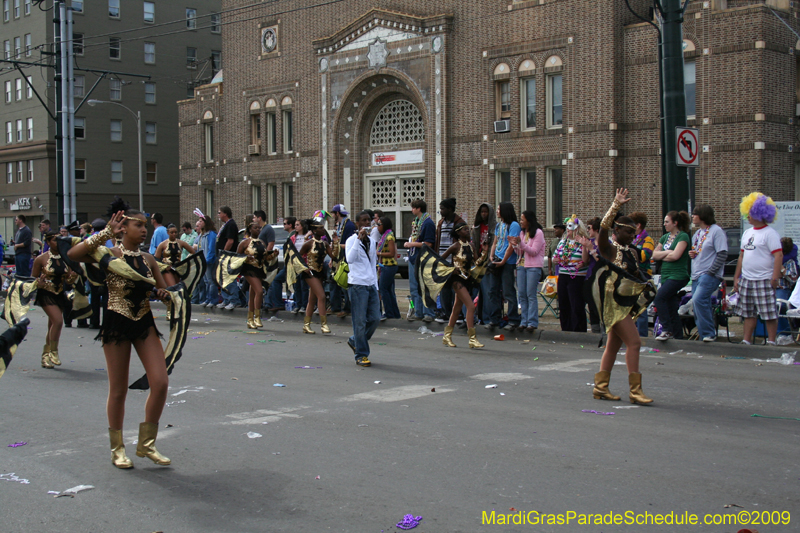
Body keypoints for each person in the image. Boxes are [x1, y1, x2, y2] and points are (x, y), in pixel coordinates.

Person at [67, 199, 174, 469]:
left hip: (144, 321)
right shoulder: (109, 254)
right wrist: (105, 232)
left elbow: (162, 292)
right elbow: (74, 254)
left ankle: (147, 444)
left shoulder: (149, 259)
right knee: (118, 390)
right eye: (138, 225)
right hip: (116, 321)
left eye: (145, 226)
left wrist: (163, 294)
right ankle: (117, 448)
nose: (144, 230)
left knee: (160, 382)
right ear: (123, 228)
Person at [589, 189, 656, 405]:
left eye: (634, 233)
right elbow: (603, 229)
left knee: (613, 346)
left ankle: (600, 387)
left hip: (625, 302)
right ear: (617, 231)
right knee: (634, 342)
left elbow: (636, 276)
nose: (633, 237)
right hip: (612, 303)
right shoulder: (608, 248)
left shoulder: (632, 252)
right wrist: (615, 205)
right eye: (629, 233)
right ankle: (635, 391)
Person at [734, 192, 782, 345]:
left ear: (759, 213)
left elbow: (778, 256)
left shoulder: (770, 234)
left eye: (750, 212)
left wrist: (775, 277)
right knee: (748, 313)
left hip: (764, 279)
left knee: (768, 313)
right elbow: (741, 256)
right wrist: (737, 277)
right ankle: (746, 340)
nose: (747, 216)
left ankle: (771, 341)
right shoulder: (747, 233)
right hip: (747, 280)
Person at [436, 221, 488, 348]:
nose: (467, 231)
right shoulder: (455, 246)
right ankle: (472, 338)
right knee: (470, 306)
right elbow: (440, 260)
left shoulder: (471, 246)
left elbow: (477, 262)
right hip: (456, 280)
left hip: (467, 279)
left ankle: (446, 336)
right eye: (464, 229)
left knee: (456, 308)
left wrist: (485, 252)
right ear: (458, 232)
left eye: (467, 229)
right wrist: (451, 269)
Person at [32, 232, 79, 368]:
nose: (57, 243)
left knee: (52, 325)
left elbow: (69, 278)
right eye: (54, 240)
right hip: (46, 293)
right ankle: (54, 351)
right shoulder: (41, 259)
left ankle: (45, 356)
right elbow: (32, 279)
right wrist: (38, 283)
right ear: (47, 242)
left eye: (59, 240)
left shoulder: (66, 258)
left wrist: (74, 276)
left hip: (59, 294)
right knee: (58, 321)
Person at [346, 211, 381, 366]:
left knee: (375, 318)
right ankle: (361, 354)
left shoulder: (372, 242)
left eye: (369, 220)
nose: (367, 223)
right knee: (359, 321)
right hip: (357, 284)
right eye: (364, 221)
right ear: (358, 223)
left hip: (370, 284)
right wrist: (358, 240)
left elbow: (373, 264)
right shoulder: (351, 240)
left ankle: (355, 340)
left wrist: (376, 286)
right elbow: (350, 259)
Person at [689, 204, 727, 342]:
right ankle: (703, 334)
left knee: (699, 299)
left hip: (709, 274)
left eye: (695, 213)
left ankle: (709, 333)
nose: (692, 216)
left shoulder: (717, 231)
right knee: (696, 303)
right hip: (696, 274)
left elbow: (722, 253)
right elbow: (698, 250)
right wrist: (692, 253)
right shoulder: (698, 233)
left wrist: (712, 271)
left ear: (703, 215)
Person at [652, 211, 691, 341]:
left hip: (678, 275)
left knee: (659, 298)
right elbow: (654, 255)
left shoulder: (683, 237)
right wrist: (668, 252)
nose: (664, 224)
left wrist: (663, 255)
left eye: (667, 222)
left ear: (675, 223)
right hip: (666, 275)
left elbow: (676, 256)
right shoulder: (664, 237)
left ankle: (667, 329)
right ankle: (678, 336)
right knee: (671, 306)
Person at [293, 216, 334, 333]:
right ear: (315, 230)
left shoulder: (325, 243)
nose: (323, 230)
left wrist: (335, 242)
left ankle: (306, 325)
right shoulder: (309, 243)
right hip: (310, 273)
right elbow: (297, 257)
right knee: (321, 296)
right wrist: (303, 267)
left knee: (312, 299)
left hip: (320, 272)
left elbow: (333, 256)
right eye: (321, 228)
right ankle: (324, 324)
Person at [485, 202, 521, 330]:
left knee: (508, 291)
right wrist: (491, 255)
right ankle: (494, 319)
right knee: (492, 291)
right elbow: (495, 241)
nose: (498, 211)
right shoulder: (499, 225)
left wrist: (503, 261)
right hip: (497, 260)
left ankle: (513, 319)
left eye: (499, 209)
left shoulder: (514, 225)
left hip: (508, 263)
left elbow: (511, 245)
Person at [552, 214, 589, 332]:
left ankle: (578, 329)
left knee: (576, 305)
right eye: (567, 227)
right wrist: (555, 260)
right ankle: (566, 328)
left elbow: (585, 260)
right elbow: (554, 257)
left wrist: (583, 245)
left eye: (570, 227)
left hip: (577, 276)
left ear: (577, 228)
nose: (567, 230)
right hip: (563, 275)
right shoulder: (563, 242)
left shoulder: (582, 242)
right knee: (563, 303)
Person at [511, 210, 546, 332]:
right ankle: (523, 321)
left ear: (529, 221)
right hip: (521, 265)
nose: (521, 222)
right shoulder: (522, 233)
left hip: (533, 266)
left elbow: (534, 251)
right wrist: (515, 245)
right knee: (521, 294)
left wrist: (522, 244)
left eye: (522, 219)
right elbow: (520, 252)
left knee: (531, 294)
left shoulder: (538, 233)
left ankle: (532, 322)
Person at [236, 221, 274, 328]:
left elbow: (265, 257)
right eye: (255, 228)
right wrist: (245, 258)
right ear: (250, 230)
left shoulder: (262, 242)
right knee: (259, 291)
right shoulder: (244, 243)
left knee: (253, 294)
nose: (258, 229)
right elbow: (236, 257)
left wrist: (273, 255)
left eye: (259, 228)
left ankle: (250, 319)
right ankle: (257, 317)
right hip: (249, 269)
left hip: (259, 269)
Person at [434, 198, 466, 323]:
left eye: (443, 208)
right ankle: (447, 314)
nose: (441, 211)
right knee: (445, 288)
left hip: (455, 261)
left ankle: (458, 315)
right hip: (443, 260)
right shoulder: (441, 223)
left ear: (450, 209)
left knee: (456, 288)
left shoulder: (459, 222)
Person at [405, 199, 437, 322]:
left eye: (413, 207)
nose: (411, 210)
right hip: (414, 257)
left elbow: (428, 243)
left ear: (419, 209)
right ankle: (418, 312)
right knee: (414, 287)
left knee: (425, 286)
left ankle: (428, 313)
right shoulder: (416, 222)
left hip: (423, 258)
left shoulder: (428, 223)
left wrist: (412, 244)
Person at [629, 212, 655, 337]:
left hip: (643, 276)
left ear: (638, 225)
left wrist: (631, 249)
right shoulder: (631, 238)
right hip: (632, 276)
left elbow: (644, 256)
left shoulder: (647, 239)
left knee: (641, 308)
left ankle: (643, 337)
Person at [577, 218, 602, 334]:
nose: (588, 230)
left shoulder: (604, 243)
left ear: (596, 229)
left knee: (600, 304)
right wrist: (584, 246)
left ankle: (604, 329)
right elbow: (585, 260)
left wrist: (591, 248)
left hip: (601, 276)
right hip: (590, 276)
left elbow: (601, 261)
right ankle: (595, 329)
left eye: (589, 228)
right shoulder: (590, 242)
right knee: (591, 304)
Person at [473, 203, 496, 325]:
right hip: (477, 262)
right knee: (475, 292)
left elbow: (494, 244)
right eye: (482, 212)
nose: (483, 214)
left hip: (488, 263)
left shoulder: (494, 228)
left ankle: (487, 318)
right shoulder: (477, 227)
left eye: (486, 212)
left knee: (487, 292)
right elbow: (474, 243)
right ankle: (476, 317)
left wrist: (489, 260)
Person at [265, 217, 296, 311]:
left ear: (290, 225)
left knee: (277, 280)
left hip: (291, 264)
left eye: (285, 224)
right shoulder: (290, 235)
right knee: (294, 284)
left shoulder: (293, 236)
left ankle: (278, 303)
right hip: (288, 264)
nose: (284, 226)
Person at [330, 204, 355, 317]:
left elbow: (350, 244)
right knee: (335, 282)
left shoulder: (349, 225)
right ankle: (335, 306)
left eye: (333, 213)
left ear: (338, 214)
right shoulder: (340, 225)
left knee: (345, 284)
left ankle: (347, 308)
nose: (332, 215)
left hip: (345, 259)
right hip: (338, 258)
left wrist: (337, 245)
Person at [376, 217, 401, 320]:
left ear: (384, 225)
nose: (377, 227)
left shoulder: (389, 237)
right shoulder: (384, 236)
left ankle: (389, 313)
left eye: (379, 225)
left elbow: (391, 253)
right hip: (385, 265)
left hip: (389, 266)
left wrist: (379, 253)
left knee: (383, 289)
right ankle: (395, 314)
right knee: (389, 291)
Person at [216, 206, 240, 310]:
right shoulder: (226, 225)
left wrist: (224, 253)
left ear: (225, 214)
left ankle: (233, 300)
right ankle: (226, 299)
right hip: (224, 256)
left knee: (230, 278)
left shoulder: (231, 225)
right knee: (223, 278)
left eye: (219, 212)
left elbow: (230, 241)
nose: (218, 215)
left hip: (228, 256)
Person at [776, 237, 798, 335]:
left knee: (780, 305)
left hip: (783, 288)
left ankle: (785, 332)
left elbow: (793, 279)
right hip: (771, 287)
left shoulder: (790, 262)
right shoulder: (773, 259)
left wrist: (782, 270)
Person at [195, 216, 218, 307]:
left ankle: (213, 299)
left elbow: (211, 249)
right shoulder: (202, 235)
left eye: (201, 221)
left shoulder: (211, 234)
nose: (199, 223)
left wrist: (208, 260)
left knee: (211, 281)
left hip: (209, 262)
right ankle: (208, 299)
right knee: (206, 281)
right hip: (203, 261)